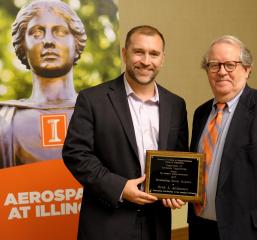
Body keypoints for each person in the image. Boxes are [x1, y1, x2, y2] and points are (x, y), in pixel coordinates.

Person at [62, 25, 188, 240]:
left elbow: (179, 156)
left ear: (162, 58)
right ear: (124, 53)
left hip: (157, 224)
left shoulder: (176, 104)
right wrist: (120, 187)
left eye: (154, 54)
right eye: (139, 52)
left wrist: (176, 191)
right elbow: (76, 154)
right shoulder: (92, 100)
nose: (146, 61)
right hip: (107, 223)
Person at [188, 35, 257, 240]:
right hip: (201, 229)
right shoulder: (201, 113)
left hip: (249, 233)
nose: (222, 72)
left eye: (230, 65)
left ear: (247, 69)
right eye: (214, 65)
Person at [0, 0, 86, 168]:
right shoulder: (4, 121)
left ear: (76, 43)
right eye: (37, 33)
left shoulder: (104, 114)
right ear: (22, 45)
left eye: (60, 32)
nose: (48, 41)